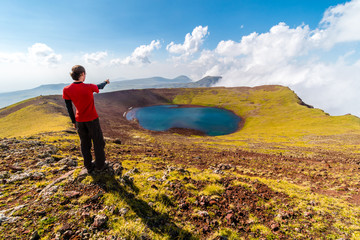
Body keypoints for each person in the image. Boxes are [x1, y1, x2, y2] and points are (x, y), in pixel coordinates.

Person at [62, 65, 109, 173]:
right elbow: (99, 87)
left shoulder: (66, 89)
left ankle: (88, 165)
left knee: (85, 143)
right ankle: (100, 165)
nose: (85, 75)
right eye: (85, 74)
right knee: (98, 142)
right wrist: (105, 82)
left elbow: (69, 107)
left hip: (79, 121)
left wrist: (73, 121)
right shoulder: (89, 87)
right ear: (82, 74)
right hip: (92, 119)